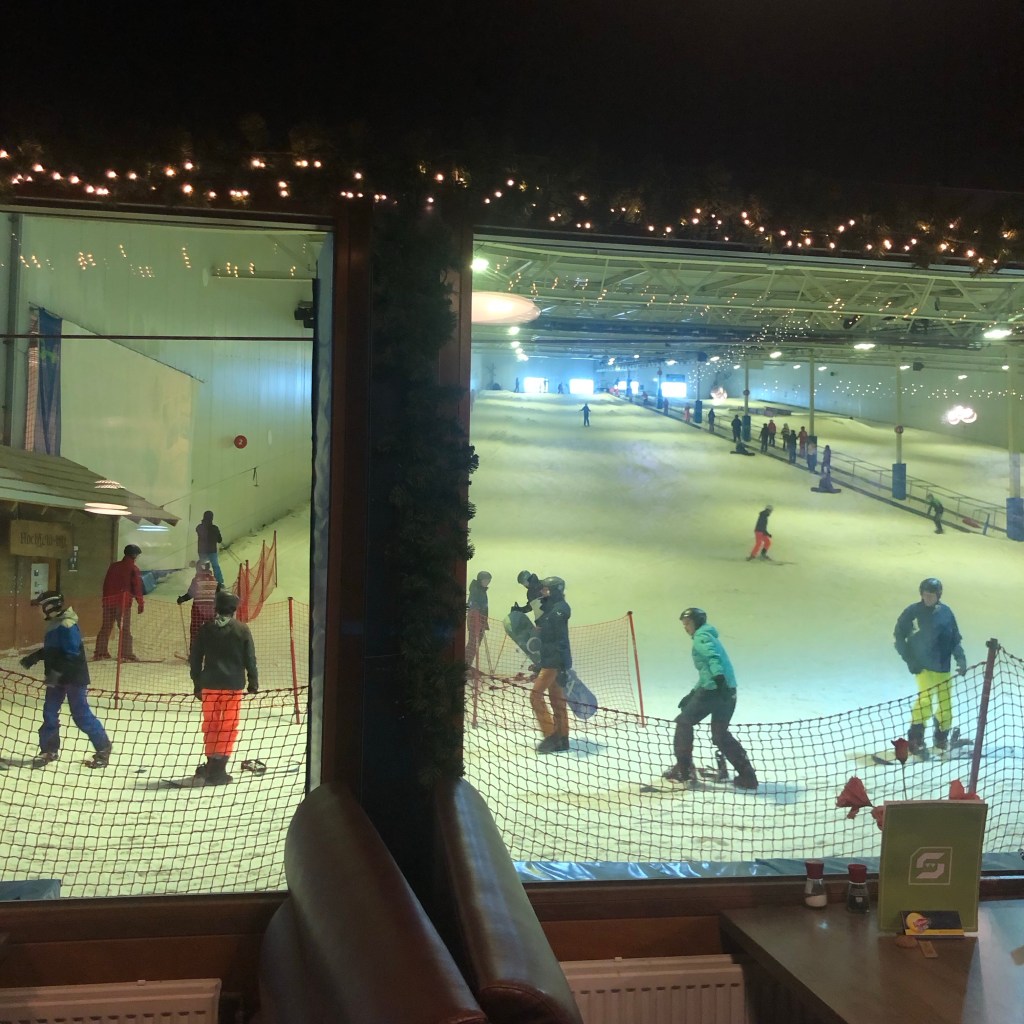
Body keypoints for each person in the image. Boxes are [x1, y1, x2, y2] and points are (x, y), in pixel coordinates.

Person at [662, 607, 758, 790]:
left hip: (714, 690)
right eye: (684, 624)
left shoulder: (701, 638)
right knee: (720, 734)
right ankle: (748, 776)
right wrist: (693, 693)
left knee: (684, 722)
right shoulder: (709, 636)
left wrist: (719, 678)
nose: (685, 627)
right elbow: (707, 671)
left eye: (688, 623)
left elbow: (713, 659)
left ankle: (684, 770)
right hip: (727, 691)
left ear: (697, 623)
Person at [20, 591, 112, 769]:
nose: (39, 611)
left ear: (49, 607)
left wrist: (55, 672)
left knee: (80, 714)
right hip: (57, 677)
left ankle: (103, 748)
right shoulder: (55, 624)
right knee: (49, 712)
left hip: (73, 678)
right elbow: (55, 649)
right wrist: (36, 656)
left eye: (40, 607)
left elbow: (71, 654)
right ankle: (49, 750)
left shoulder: (67, 625)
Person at [181, 590, 259, 786]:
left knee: (211, 724)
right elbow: (250, 658)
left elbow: (195, 658)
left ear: (216, 606)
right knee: (228, 725)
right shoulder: (242, 630)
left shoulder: (206, 629)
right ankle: (219, 768)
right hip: (233, 685)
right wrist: (253, 681)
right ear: (233, 609)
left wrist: (197, 683)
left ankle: (211, 763)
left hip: (209, 684)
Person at [893, 577, 967, 757]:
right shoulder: (913, 612)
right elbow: (899, 637)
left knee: (945, 704)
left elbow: (954, 639)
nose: (928, 598)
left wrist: (960, 659)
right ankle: (916, 739)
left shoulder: (946, 613)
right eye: (925, 595)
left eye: (931, 595)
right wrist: (910, 660)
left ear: (938, 595)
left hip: (942, 667)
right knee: (925, 700)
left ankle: (941, 736)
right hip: (923, 666)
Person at [530, 577, 573, 754]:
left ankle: (551, 736)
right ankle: (562, 738)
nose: (543, 591)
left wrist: (563, 666)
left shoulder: (560, 609)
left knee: (535, 697)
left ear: (556, 590)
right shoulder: (551, 608)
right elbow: (548, 639)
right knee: (557, 701)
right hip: (550, 661)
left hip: (554, 663)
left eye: (546, 589)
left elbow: (561, 640)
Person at [94, 544, 145, 661]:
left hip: (109, 602)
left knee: (106, 627)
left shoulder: (113, 566)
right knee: (124, 629)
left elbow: (106, 584)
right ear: (134, 555)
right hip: (122, 603)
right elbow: (137, 587)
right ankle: (126, 653)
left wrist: (105, 599)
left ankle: (100, 652)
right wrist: (140, 603)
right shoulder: (133, 569)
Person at [177, 560, 220, 648]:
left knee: (195, 629)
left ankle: (194, 651)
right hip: (211, 610)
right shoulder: (215, 580)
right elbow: (218, 594)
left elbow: (190, 594)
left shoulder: (196, 580)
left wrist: (182, 599)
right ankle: (212, 650)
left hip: (198, 609)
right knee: (211, 630)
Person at [465, 570, 491, 671]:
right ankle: (465, 664)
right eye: (485, 580)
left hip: (480, 620)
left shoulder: (481, 590)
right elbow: (471, 603)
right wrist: (477, 614)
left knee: (475, 643)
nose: (487, 582)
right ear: (480, 580)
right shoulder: (476, 590)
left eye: (489, 580)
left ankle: (466, 663)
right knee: (473, 643)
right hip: (475, 620)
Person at [196, 510, 225, 586]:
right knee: (215, 566)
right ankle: (219, 582)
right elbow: (219, 540)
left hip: (202, 551)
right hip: (212, 551)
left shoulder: (199, 527)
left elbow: (200, 532)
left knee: (203, 566)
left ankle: (202, 580)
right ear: (212, 518)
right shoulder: (215, 528)